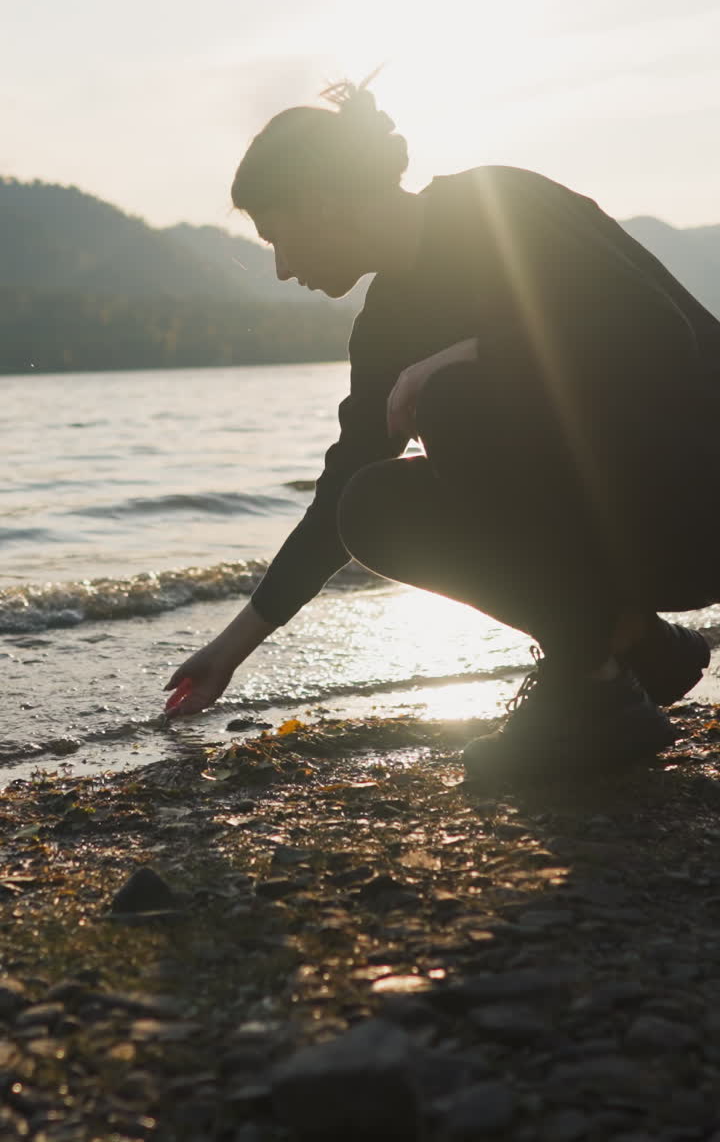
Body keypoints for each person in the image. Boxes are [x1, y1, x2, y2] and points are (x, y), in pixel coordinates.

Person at [164, 77, 719, 781]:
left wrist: (472, 353)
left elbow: (656, 334)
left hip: (699, 490)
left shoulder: (499, 206)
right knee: (366, 502)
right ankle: (629, 649)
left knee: (459, 398)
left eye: (280, 238)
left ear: (322, 204)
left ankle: (595, 690)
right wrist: (233, 647)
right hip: (627, 535)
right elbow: (338, 490)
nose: (280, 269)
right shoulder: (386, 327)